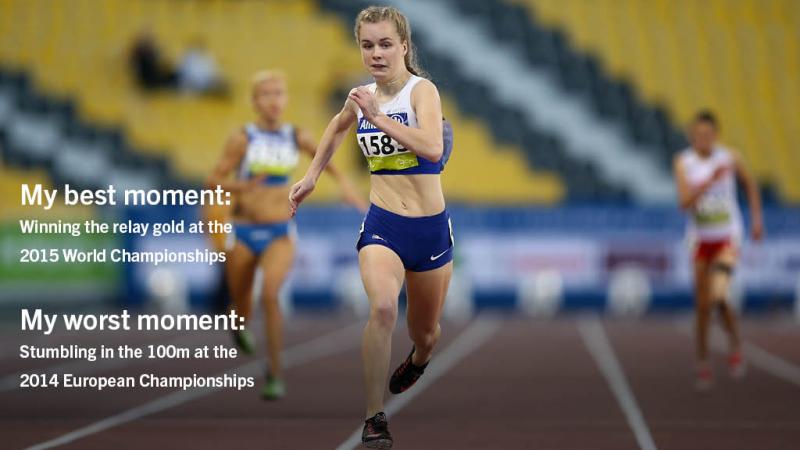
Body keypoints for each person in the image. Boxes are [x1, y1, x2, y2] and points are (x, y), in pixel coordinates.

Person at [289, 6, 453, 448]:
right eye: (367, 45)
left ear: (404, 46)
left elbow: (433, 149)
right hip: (384, 224)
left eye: (384, 44)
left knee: (426, 332)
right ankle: (373, 417)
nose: (376, 53)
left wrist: (379, 119)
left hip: (431, 231)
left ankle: (419, 358)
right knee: (382, 308)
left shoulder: (423, 92)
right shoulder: (359, 95)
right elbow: (338, 127)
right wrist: (311, 176)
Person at [207, 70, 365, 400]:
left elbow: (326, 155)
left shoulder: (296, 136)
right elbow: (214, 181)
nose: (274, 100)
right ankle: (238, 325)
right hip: (244, 229)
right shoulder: (243, 138)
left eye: (279, 93)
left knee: (270, 296)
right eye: (266, 94)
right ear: (255, 101)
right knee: (241, 300)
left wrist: (346, 185)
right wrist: (242, 185)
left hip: (280, 230)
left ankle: (275, 373)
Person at [673, 110, 763, 391]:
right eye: (699, 135)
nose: (704, 139)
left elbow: (750, 185)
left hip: (727, 238)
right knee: (702, 306)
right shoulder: (683, 162)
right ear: (691, 136)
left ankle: (734, 344)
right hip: (700, 239)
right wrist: (709, 182)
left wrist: (757, 219)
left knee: (720, 294)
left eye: (709, 134)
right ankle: (702, 360)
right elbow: (684, 203)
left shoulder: (730, 157)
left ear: (716, 135)